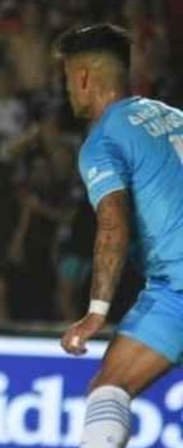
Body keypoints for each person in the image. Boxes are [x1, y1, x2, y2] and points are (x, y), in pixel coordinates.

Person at [56, 24, 183, 448]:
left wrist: (97, 310)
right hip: (171, 289)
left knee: (110, 388)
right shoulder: (174, 118)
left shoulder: (103, 140)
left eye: (67, 78)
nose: (68, 90)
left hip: (176, 288)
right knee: (108, 385)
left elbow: (113, 224)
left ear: (85, 78)